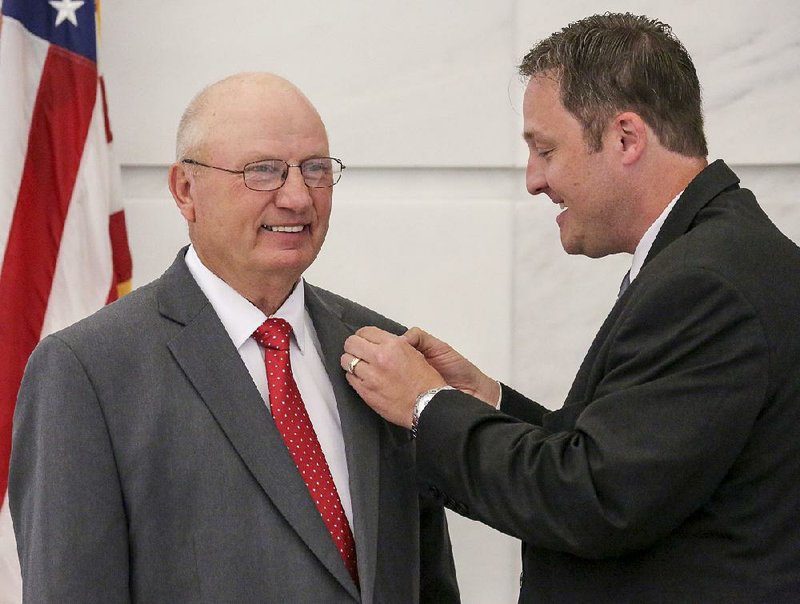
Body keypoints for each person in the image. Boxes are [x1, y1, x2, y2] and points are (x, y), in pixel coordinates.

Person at [340, 13, 800, 602]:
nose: (534, 180)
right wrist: (487, 402)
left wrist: (426, 408)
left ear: (626, 138)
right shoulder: (713, 254)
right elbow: (628, 463)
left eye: (545, 149)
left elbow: (594, 499)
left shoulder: (707, 283)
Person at [9, 72, 459, 603]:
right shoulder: (88, 370)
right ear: (185, 189)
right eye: (262, 171)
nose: (297, 197)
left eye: (315, 169)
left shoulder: (380, 350)